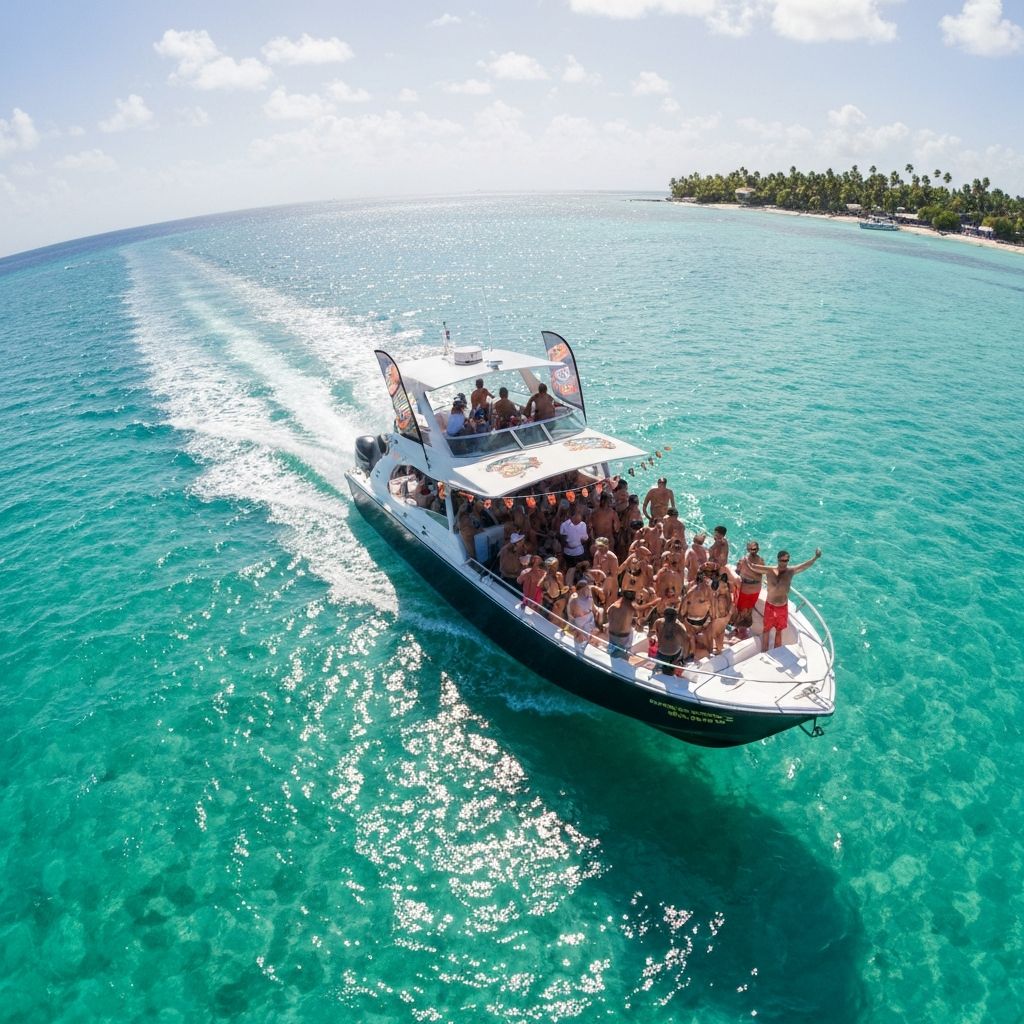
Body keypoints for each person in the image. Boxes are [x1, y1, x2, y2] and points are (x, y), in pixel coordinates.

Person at [748, 548, 823, 651]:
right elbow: (753, 567)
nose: (784, 563)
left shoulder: (791, 571)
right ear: (778, 560)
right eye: (782, 560)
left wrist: (815, 557)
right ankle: (764, 651)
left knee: (779, 631)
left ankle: (776, 652)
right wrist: (749, 557)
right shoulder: (769, 570)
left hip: (782, 607)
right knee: (766, 630)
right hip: (770, 605)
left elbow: (804, 566)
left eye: (786, 561)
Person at [731, 541, 764, 640]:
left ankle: (741, 632)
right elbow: (761, 574)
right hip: (756, 589)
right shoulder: (761, 561)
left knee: (741, 610)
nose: (752, 551)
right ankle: (743, 630)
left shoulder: (743, 560)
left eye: (752, 549)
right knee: (749, 609)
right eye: (751, 549)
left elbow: (737, 572)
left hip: (745, 590)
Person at [681, 570, 714, 659]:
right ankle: (710, 651)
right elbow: (713, 608)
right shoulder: (708, 590)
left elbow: (683, 608)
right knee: (709, 632)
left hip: (690, 620)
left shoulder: (690, 590)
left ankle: (690, 651)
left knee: (690, 636)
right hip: (702, 621)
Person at [653, 606, 689, 675]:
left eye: (672, 615)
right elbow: (654, 632)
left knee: (670, 675)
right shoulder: (658, 622)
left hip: (674, 656)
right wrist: (655, 637)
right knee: (657, 675)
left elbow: (686, 643)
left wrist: (682, 658)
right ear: (664, 615)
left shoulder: (680, 628)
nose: (669, 616)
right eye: (667, 614)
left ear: (676, 616)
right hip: (660, 654)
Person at [606, 590, 638, 659]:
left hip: (612, 636)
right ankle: (625, 656)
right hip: (623, 639)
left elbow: (609, 616)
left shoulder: (613, 606)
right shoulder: (631, 608)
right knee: (623, 658)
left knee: (612, 656)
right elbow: (636, 623)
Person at [567, 577, 597, 644]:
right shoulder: (575, 599)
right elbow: (576, 620)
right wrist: (580, 633)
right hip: (580, 629)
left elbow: (593, 609)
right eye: (586, 589)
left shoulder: (589, 597)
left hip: (590, 626)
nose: (588, 590)